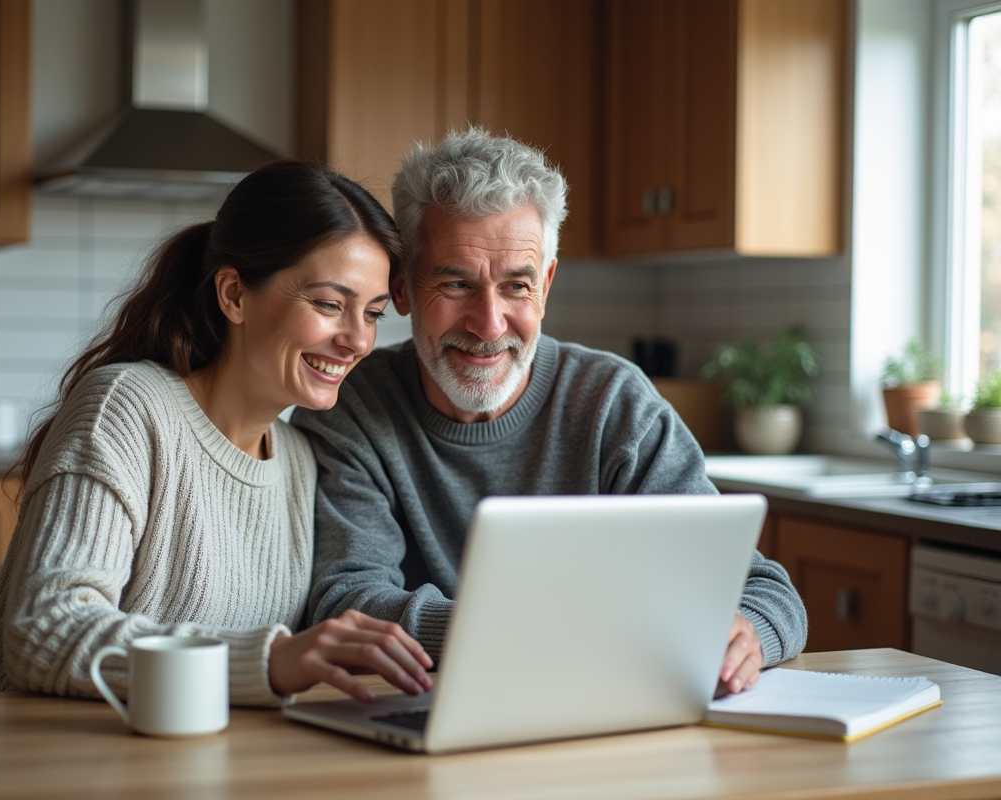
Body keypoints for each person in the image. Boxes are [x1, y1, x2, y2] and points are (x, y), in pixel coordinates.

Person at [291, 129, 808, 696]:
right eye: (457, 283)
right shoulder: (353, 407)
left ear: (547, 286)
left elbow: (764, 590)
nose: (489, 325)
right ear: (405, 287)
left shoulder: (615, 403)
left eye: (517, 286)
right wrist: (542, 631)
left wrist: (747, 634)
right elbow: (348, 603)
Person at [0, 162, 433, 706]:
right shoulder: (126, 408)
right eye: (329, 304)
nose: (358, 340)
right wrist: (266, 661)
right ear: (234, 295)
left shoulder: (301, 461)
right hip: (15, 753)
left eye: (373, 313)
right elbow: (46, 632)